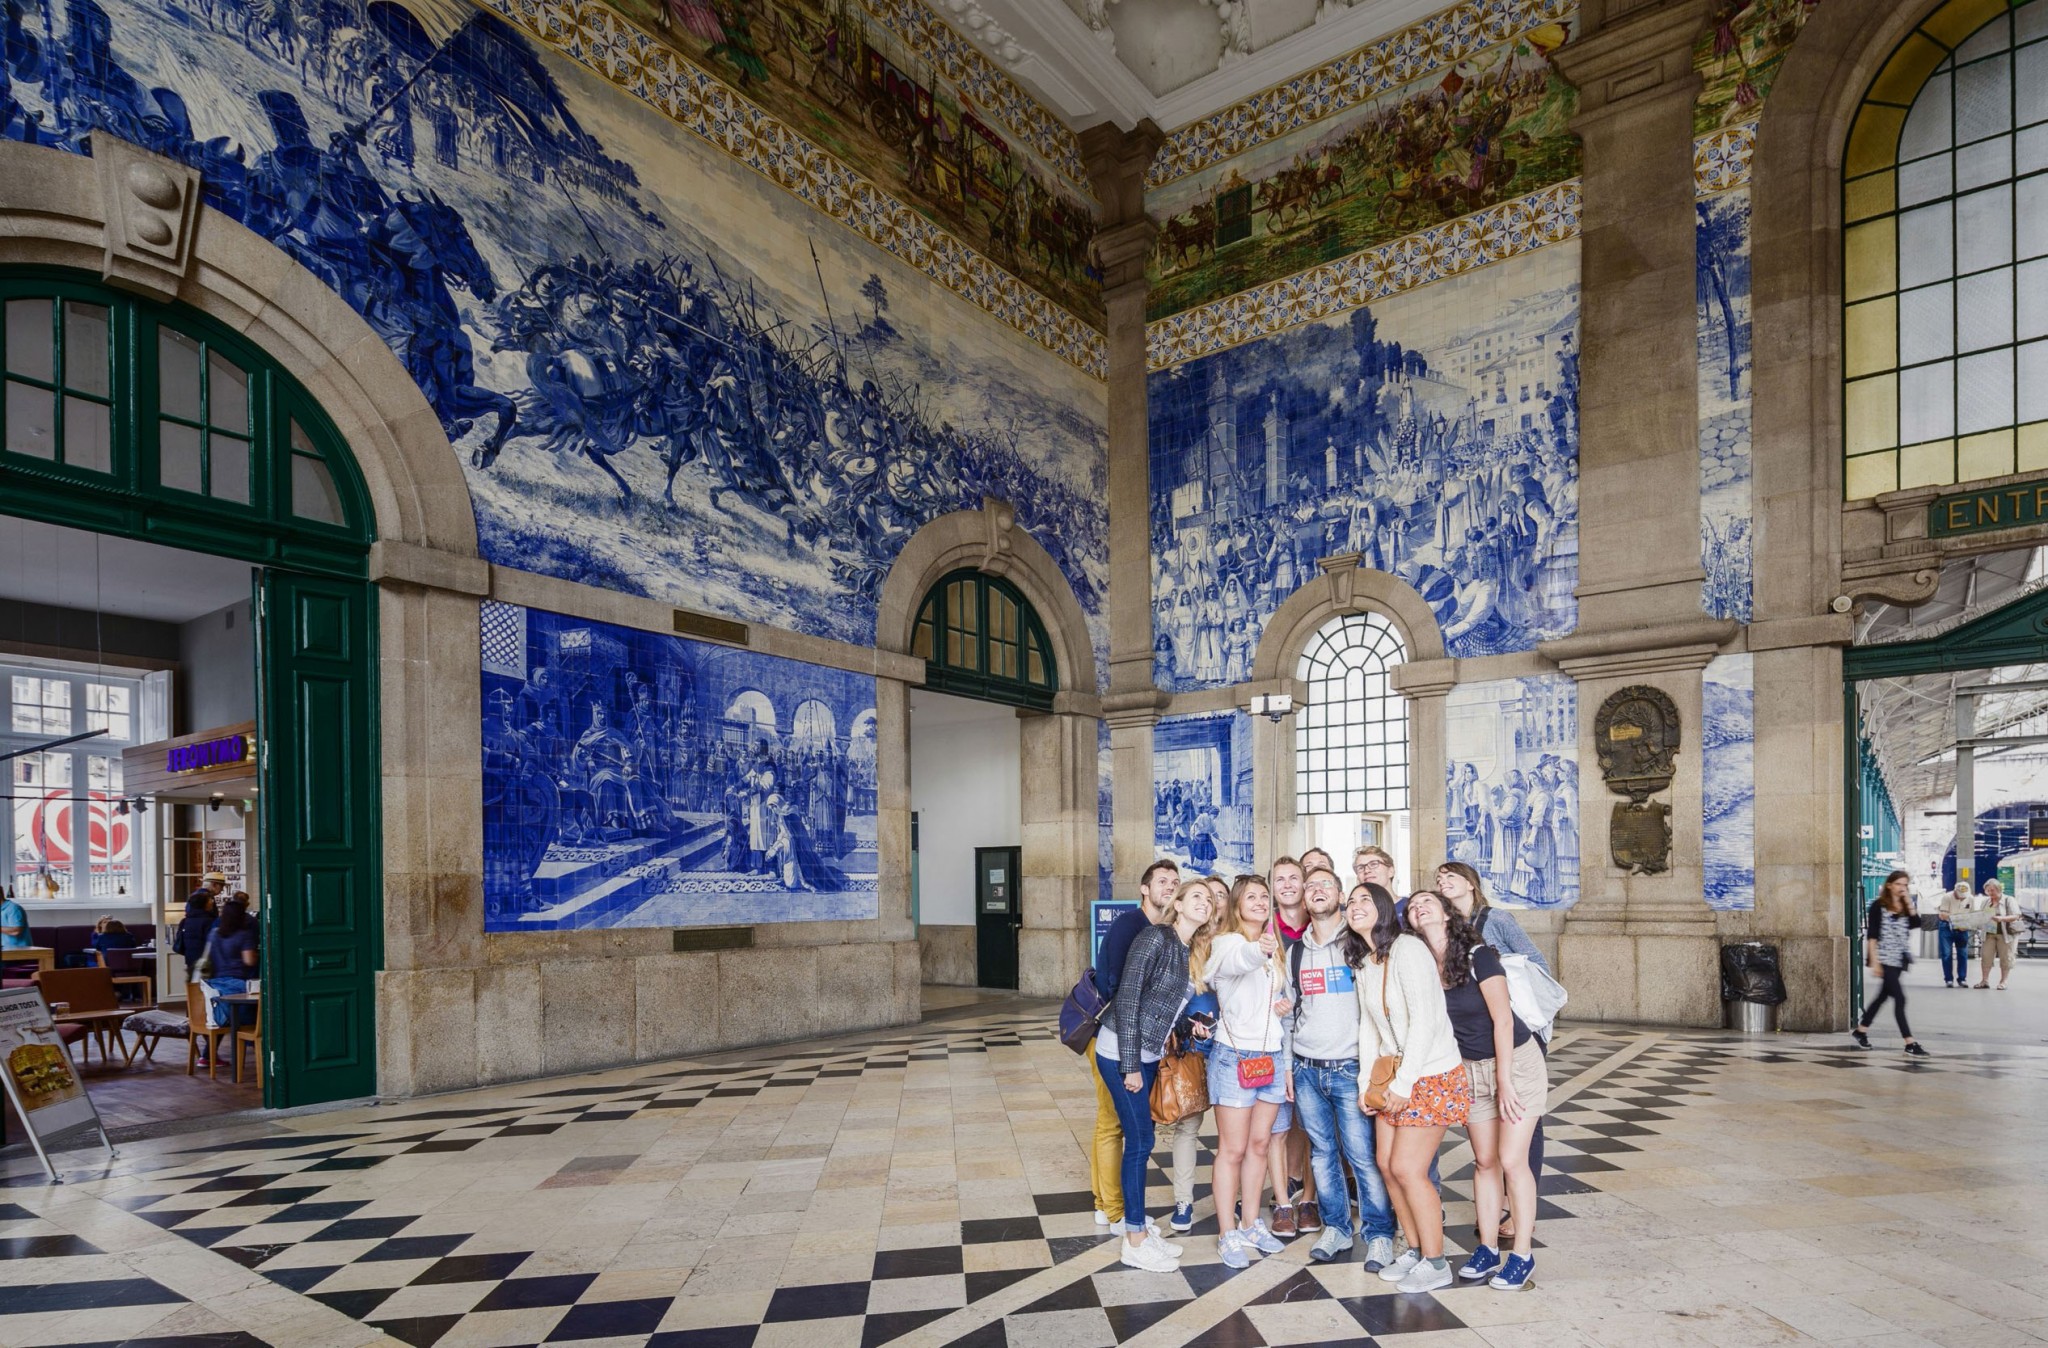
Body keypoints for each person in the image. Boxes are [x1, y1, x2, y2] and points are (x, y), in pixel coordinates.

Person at [1407, 889, 1543, 1292]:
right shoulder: (1421, 966)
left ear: (1448, 915)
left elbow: (1503, 1021)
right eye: (1412, 907)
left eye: (1427, 903)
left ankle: (1522, 1254)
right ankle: (1487, 1247)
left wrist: (1504, 1080)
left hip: (1515, 1063)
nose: (1419, 908)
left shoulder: (1479, 956)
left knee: (1511, 1159)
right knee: (1484, 1161)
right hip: (1468, 1069)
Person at [1354, 887, 1467, 1294]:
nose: (1355, 907)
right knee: (1386, 1164)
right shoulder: (1365, 961)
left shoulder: (1409, 949)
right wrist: (1365, 1084)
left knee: (1408, 1168)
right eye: (1351, 903)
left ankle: (1436, 1262)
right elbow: (1369, 1027)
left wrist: (1404, 1084)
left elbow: (1424, 1021)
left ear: (1384, 908)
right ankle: (1415, 1250)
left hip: (1430, 1073)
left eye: (1365, 900)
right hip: (1393, 1076)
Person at [1098, 879, 1211, 1272]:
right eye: (1196, 896)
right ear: (1177, 904)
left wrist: (1189, 1026)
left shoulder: (1186, 949)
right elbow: (1128, 998)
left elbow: (1162, 1007)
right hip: (1120, 1051)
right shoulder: (1155, 937)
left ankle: (1139, 1229)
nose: (1205, 903)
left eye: (1209, 899)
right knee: (1141, 1141)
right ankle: (1134, 1239)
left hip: (1145, 1054)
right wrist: (1130, 1064)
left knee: (1141, 1139)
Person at [1288, 871, 1399, 1268]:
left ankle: (1379, 1233)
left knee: (1362, 1155)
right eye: (1310, 886)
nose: (1317, 890)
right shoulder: (1295, 952)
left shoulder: (1358, 944)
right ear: (1304, 899)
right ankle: (1336, 1227)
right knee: (1322, 1154)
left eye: (1326, 885)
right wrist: (1287, 1066)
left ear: (1340, 895)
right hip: (1306, 1068)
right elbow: (1290, 1013)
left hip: (1350, 1067)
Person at [1437, 860, 1549, 1240]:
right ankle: (1496, 1205)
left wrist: (1498, 972)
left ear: (1470, 884)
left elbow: (1537, 962)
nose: (1443, 881)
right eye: (1439, 878)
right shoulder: (1445, 931)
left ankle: (1519, 1211)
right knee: (1489, 1145)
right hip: (1475, 1046)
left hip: (1513, 1032)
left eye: (1451, 876)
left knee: (1521, 1126)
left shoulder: (1496, 919)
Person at [1205, 873, 1292, 1270]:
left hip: (1270, 1057)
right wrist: (1260, 949)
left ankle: (1251, 1222)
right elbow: (1239, 962)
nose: (1259, 901)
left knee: (1259, 1145)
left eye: (1264, 896)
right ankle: (1228, 1232)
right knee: (1233, 1149)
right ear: (1237, 904)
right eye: (1251, 896)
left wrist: (1280, 1006)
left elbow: (1267, 995)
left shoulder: (1275, 947)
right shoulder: (1228, 943)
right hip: (1234, 1057)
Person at [1090, 860, 1180, 1232]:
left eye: (1175, 882)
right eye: (1162, 881)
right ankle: (1111, 1210)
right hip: (1116, 1039)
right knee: (1112, 1122)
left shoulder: (1166, 931)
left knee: (1128, 1126)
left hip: (1138, 1044)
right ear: (1144, 888)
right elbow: (1116, 987)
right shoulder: (1130, 925)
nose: (1169, 886)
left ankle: (1120, 1208)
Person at [1263, 857, 1318, 1236]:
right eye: (1279, 879)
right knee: (1278, 1125)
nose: (1286, 884)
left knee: (1314, 1125)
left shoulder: (1321, 924)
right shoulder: (1265, 930)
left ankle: (1310, 1199)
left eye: (1293, 878)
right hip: (1275, 1039)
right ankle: (1283, 1200)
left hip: (1316, 1037)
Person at [1168, 897, 1223, 1234]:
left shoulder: (1235, 947)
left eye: (1219, 899)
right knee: (1188, 1128)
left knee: (1233, 1135)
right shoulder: (1183, 952)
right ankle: (1183, 1201)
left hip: (1232, 1053)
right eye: (1205, 899)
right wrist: (1186, 1028)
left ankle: (1234, 1199)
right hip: (1193, 1052)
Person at [1853, 870, 1929, 1057]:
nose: (1902, 888)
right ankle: (1909, 1042)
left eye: (1905, 885)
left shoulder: (1904, 905)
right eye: (1898, 884)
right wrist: (1875, 962)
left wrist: (1909, 902)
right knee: (1900, 999)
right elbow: (1872, 936)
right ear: (1889, 885)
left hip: (1899, 959)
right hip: (1884, 958)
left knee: (1882, 997)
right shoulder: (1878, 906)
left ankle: (1861, 1031)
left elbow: (1916, 923)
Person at [202, 896, 260, 1030]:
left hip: (216, 985)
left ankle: (223, 1037)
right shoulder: (244, 934)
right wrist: (256, 955)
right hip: (238, 984)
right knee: (253, 1014)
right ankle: (249, 1038)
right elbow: (249, 960)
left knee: (230, 1014)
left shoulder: (214, 933)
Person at [1976, 878, 2020, 990]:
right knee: (1986, 957)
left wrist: (2001, 918)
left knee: (2006, 957)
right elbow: (1981, 915)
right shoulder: (1985, 902)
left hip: (2005, 934)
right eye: (1988, 891)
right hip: (1988, 933)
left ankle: (2003, 981)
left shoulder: (2008, 900)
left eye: (1992, 890)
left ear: (1999, 889)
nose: (1990, 893)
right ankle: (1984, 981)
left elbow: (2016, 915)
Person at [1936, 881, 1977, 988]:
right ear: (1955, 891)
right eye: (1960, 896)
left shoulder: (1970, 898)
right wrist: (1958, 919)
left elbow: (1972, 914)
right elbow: (1942, 915)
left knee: (1963, 953)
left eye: (1964, 896)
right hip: (1946, 927)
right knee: (1946, 954)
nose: (1962, 898)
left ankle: (1962, 979)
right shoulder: (1947, 897)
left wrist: (1967, 924)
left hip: (1962, 928)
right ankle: (1948, 979)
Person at [172, 890, 217, 983]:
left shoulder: (185, 921)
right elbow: (212, 943)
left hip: (190, 958)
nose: (212, 902)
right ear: (204, 904)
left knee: (193, 984)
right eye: (209, 901)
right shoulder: (209, 921)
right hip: (206, 961)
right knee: (207, 986)